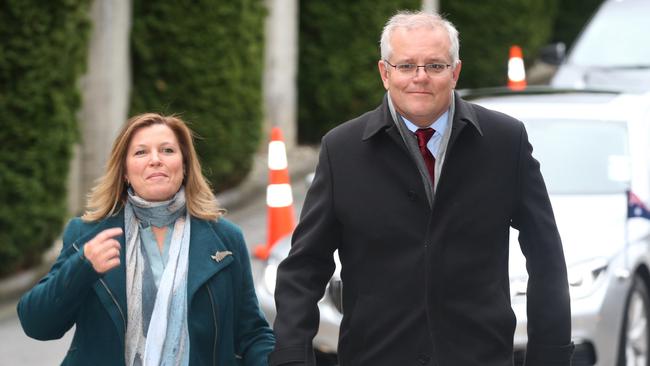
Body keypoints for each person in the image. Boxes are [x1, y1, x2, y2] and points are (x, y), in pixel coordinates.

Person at [269, 10, 573, 366]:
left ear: (455, 72)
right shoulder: (342, 150)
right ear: (385, 73)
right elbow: (304, 268)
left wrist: (549, 356)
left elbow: (546, 255)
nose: (420, 78)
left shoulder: (506, 142)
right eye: (406, 66)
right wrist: (291, 356)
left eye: (435, 66)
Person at [18, 113, 274, 365]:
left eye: (167, 151)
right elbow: (37, 324)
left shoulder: (226, 239)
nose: (155, 160)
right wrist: (82, 267)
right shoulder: (87, 235)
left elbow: (251, 334)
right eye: (141, 152)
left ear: (184, 166)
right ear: (125, 172)